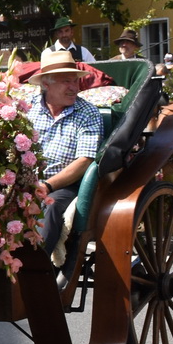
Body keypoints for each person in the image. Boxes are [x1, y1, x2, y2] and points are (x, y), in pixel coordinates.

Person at [30, 51, 103, 255]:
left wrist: (47, 185)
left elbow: (85, 160)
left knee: (51, 206)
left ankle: (39, 272)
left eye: (75, 81)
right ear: (46, 84)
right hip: (27, 180)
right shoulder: (28, 109)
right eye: (66, 82)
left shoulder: (87, 112)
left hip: (66, 185)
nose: (74, 88)